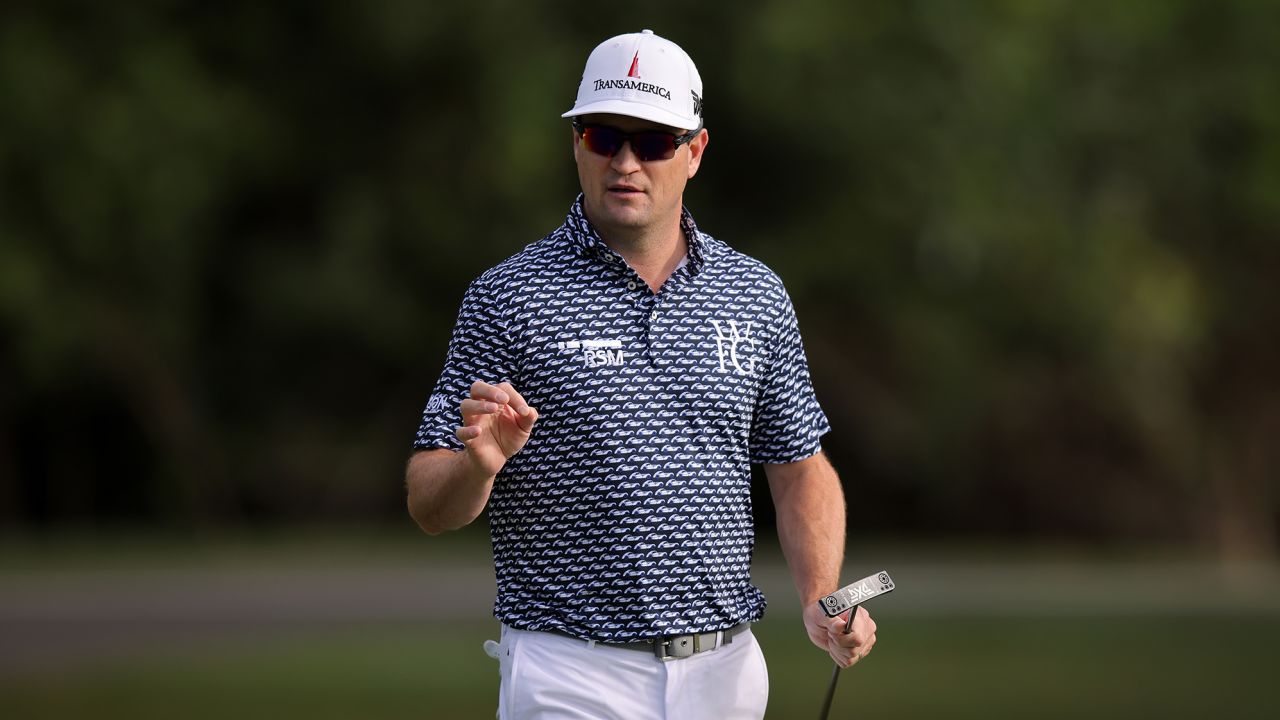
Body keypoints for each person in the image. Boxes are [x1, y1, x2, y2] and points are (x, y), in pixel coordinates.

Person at [406, 29, 877, 720]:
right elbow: (427, 500)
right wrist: (479, 467)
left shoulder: (755, 295)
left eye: (654, 142)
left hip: (726, 672)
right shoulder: (509, 296)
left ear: (694, 152)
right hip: (569, 669)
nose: (626, 162)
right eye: (604, 137)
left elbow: (799, 468)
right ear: (577, 145)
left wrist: (821, 596)